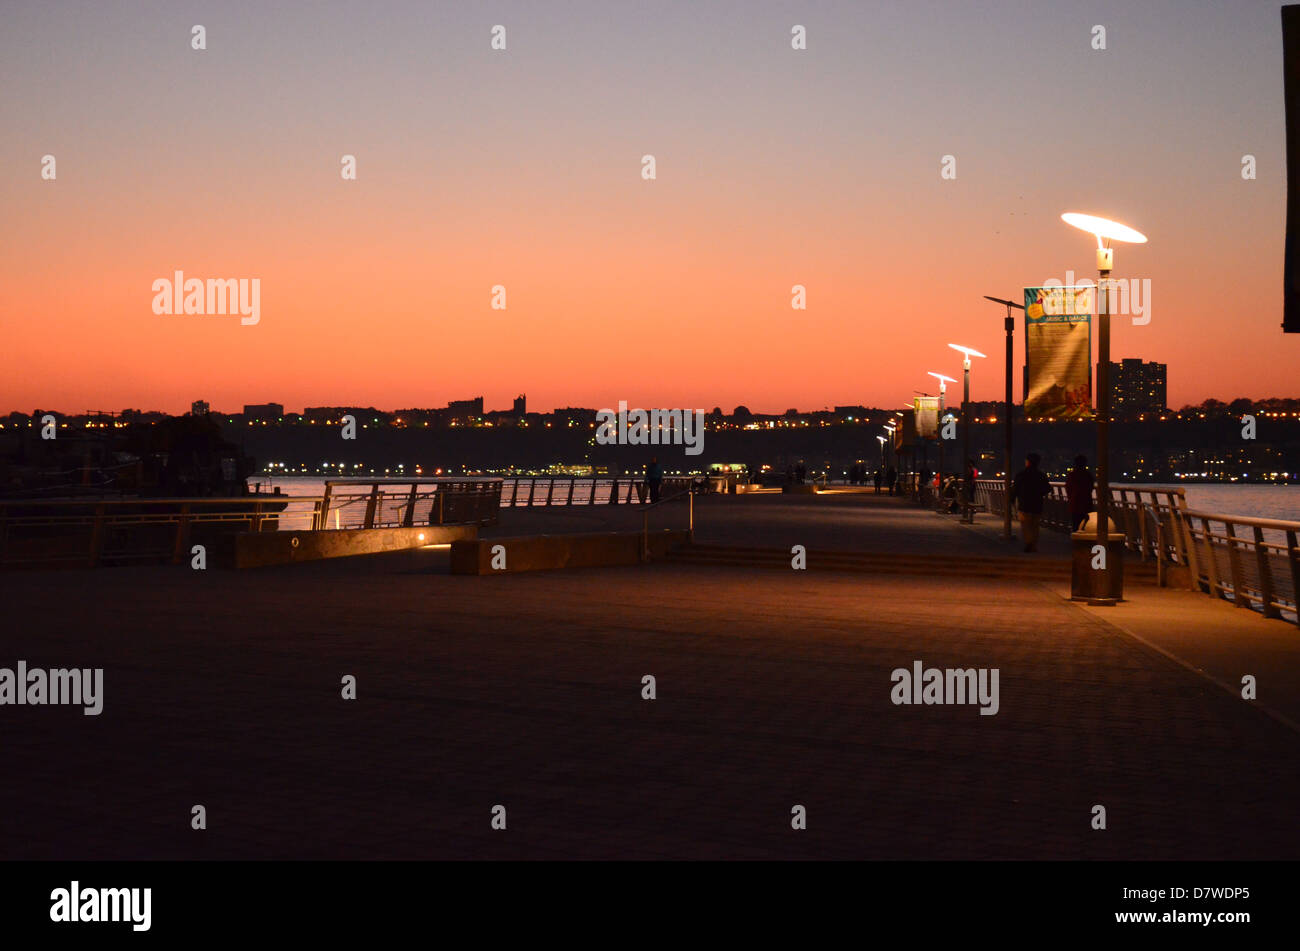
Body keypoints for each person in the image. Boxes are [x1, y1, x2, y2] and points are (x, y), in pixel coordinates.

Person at [1010, 452, 1052, 552]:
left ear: (1027, 462)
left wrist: (1012, 499)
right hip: (1037, 504)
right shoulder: (1041, 475)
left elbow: (1015, 489)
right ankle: (1033, 544)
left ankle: (1029, 542)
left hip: (1024, 504)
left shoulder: (1021, 474)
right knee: (1035, 526)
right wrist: (1040, 493)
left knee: (1025, 525)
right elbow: (1047, 488)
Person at [1065, 454, 1094, 531]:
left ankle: (1076, 539)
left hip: (1075, 504)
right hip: (1087, 504)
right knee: (1085, 525)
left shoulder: (1072, 475)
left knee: (1076, 524)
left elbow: (1068, 489)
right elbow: (1090, 488)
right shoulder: (1088, 475)